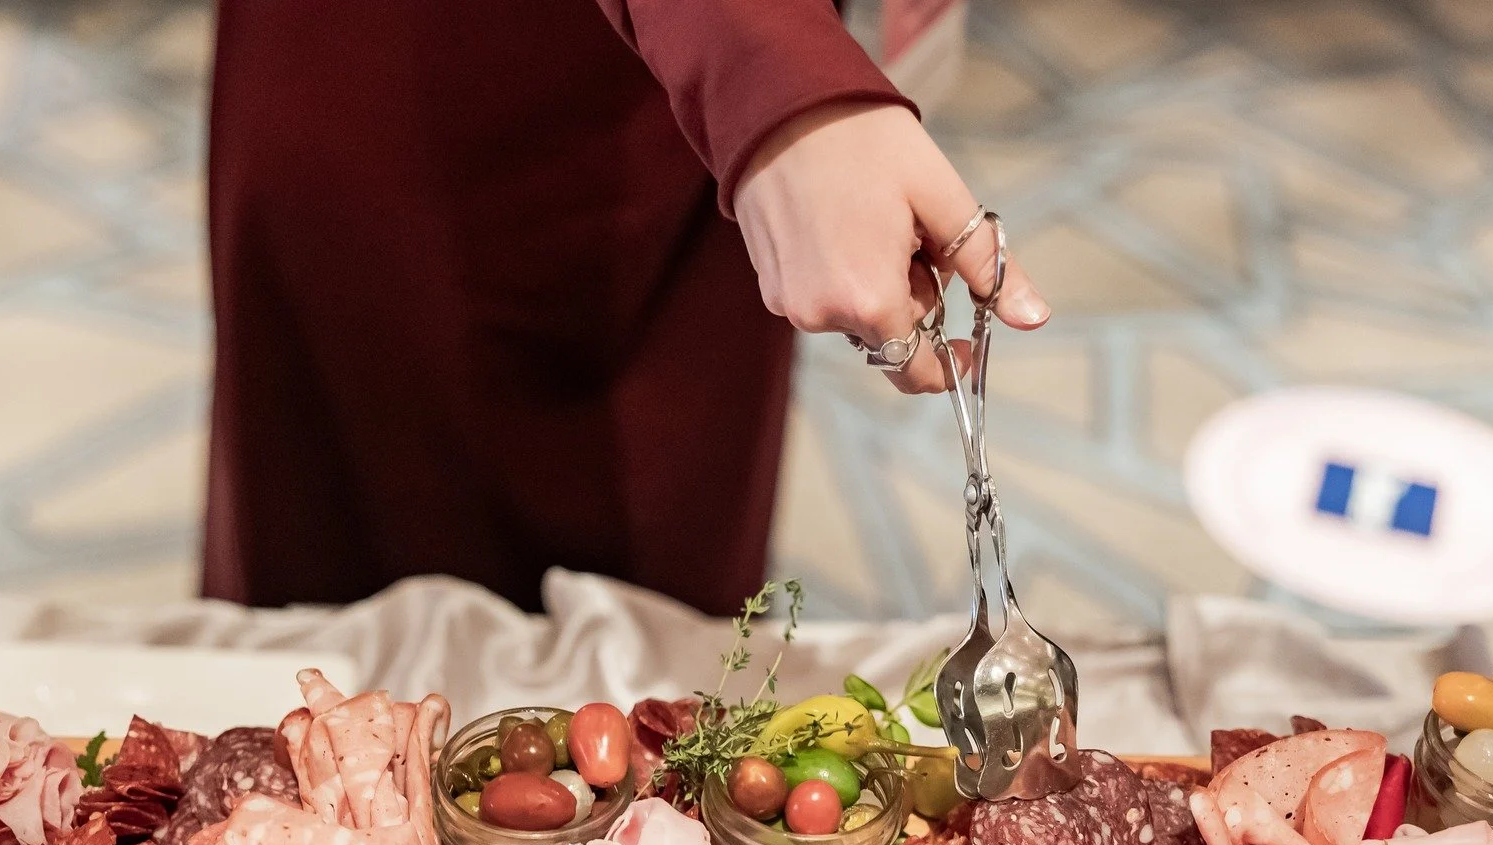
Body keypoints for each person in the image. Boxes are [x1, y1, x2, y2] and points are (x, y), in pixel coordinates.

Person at [201, 0, 1047, 616]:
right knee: (344, 673)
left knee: (662, 704)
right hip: (412, 79)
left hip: (674, 141)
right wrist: (762, 56)